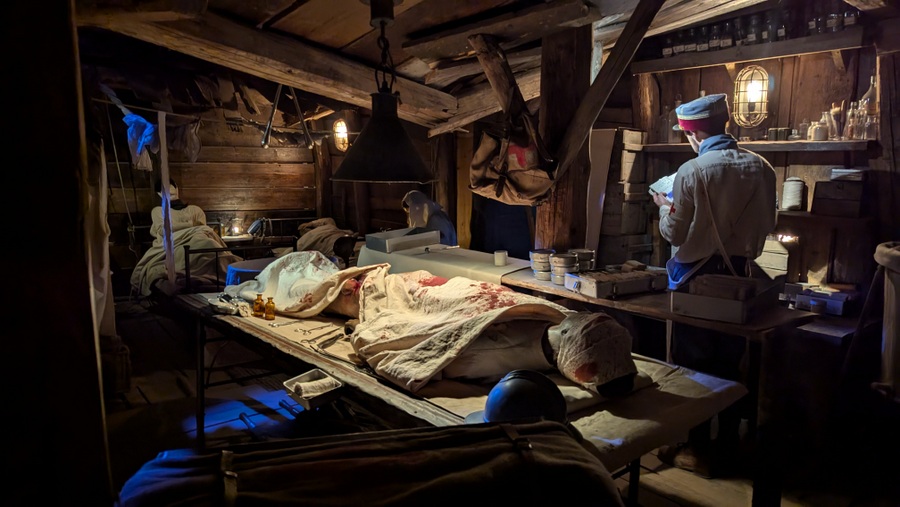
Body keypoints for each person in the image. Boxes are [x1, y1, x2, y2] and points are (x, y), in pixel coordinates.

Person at [650, 93, 776, 478]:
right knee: (730, 365)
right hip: (740, 278)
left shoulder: (693, 170)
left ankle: (698, 447)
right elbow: (767, 225)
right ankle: (727, 446)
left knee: (694, 366)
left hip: (696, 281)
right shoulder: (763, 167)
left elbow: (676, 231)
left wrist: (662, 207)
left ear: (692, 134)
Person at [149, 178, 206, 244]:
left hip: (196, 241)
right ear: (159, 194)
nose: (169, 190)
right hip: (174, 244)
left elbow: (203, 230)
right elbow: (163, 230)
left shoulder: (195, 210)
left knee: (208, 241)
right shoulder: (158, 211)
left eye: (170, 186)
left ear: (176, 188)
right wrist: (190, 224)